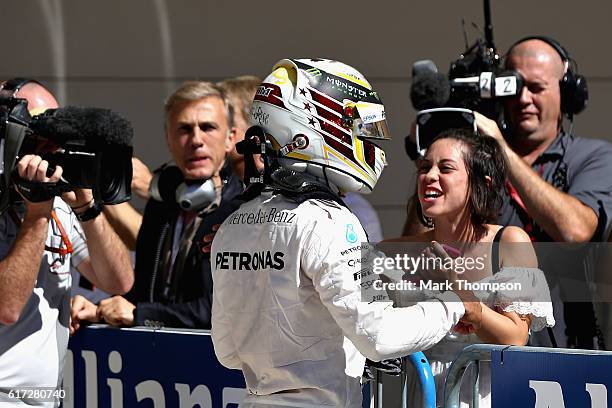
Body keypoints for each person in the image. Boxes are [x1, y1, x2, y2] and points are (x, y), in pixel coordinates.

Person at [210, 58, 483, 408]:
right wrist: (453, 306)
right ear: (314, 126)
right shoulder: (332, 222)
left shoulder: (232, 225)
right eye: (359, 128)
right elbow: (378, 334)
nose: (369, 140)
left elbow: (228, 351)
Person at [404, 37, 612, 348]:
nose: (524, 99)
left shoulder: (593, 156)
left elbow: (575, 230)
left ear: (566, 93)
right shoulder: (473, 162)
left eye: (537, 88)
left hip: (566, 351)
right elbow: (413, 254)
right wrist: (437, 157)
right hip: (477, 349)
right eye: (514, 88)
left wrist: (501, 149)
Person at [388, 126, 554, 407]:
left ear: (481, 182)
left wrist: (465, 300)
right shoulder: (393, 251)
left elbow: (515, 337)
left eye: (446, 168)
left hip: (486, 395)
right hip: (422, 395)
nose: (429, 176)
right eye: (425, 167)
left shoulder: (509, 242)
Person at [0, 79, 133, 406]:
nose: (49, 151)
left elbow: (118, 280)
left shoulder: (57, 207)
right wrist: (37, 213)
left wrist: (86, 208)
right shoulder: (42, 211)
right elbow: (7, 308)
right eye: (39, 137)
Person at [70, 81, 242, 330]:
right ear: (168, 138)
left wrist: (141, 314)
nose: (196, 140)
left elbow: (219, 311)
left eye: (208, 128)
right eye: (184, 129)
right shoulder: (161, 204)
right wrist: (99, 310)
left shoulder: (244, 210)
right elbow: (142, 293)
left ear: (230, 139)